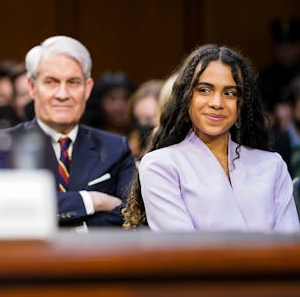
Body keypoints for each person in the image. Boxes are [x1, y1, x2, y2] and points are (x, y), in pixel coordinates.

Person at [123, 44, 300, 232]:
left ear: (242, 104)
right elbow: (183, 250)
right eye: (204, 90)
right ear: (186, 98)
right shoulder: (160, 165)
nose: (217, 103)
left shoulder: (272, 165)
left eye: (229, 93)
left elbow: (290, 247)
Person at [0, 36, 136, 228]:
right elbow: (10, 211)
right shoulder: (1, 145)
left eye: (73, 82)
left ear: (87, 88)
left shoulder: (115, 149)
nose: (63, 94)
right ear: (32, 87)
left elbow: (130, 215)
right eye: (51, 82)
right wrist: (92, 201)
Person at [82, 71, 136, 136]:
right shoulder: (86, 137)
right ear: (98, 102)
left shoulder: (142, 138)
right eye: (112, 99)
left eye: (126, 98)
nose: (119, 107)